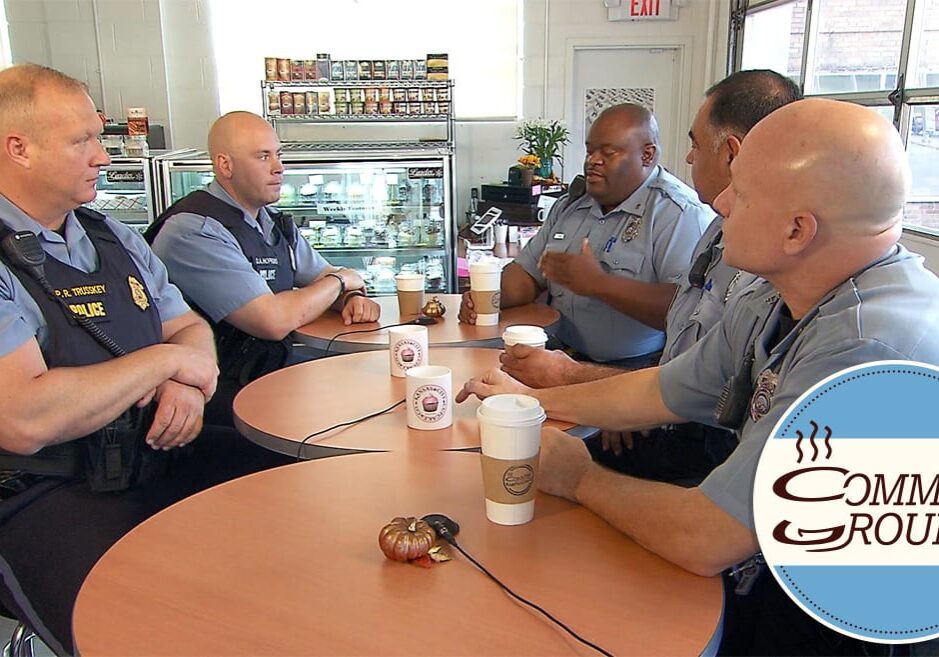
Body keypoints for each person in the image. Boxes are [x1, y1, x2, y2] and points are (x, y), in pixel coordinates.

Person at [458, 98, 939, 655]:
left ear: (796, 230)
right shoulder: (777, 292)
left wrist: (578, 476)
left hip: (841, 628)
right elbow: (662, 388)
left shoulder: (867, 349)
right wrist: (537, 398)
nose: (722, 202)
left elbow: (706, 537)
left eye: (743, 193)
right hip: (768, 570)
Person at [0, 65, 288, 654]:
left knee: (296, 498)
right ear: (18, 148)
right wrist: (164, 364)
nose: (102, 158)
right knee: (141, 633)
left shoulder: (111, 237)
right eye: (82, 140)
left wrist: (189, 384)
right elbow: (25, 418)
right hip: (46, 492)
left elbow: (188, 327)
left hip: (152, 452)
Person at [500, 70, 802, 485]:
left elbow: (713, 393)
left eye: (695, 144)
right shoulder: (718, 227)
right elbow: (689, 359)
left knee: (531, 470)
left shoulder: (698, 223)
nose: (690, 158)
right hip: (642, 393)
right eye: (591, 150)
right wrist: (608, 398)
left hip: (694, 438)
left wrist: (588, 388)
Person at [148, 111, 380, 425]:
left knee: (364, 384)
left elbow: (322, 275)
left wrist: (350, 297)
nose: (278, 168)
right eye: (263, 157)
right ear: (224, 165)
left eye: (278, 155)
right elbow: (271, 320)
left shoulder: (267, 221)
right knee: (340, 414)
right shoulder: (194, 229)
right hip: (215, 390)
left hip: (263, 367)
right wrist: (340, 283)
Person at [459, 103, 714, 367]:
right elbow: (527, 274)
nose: (593, 161)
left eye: (608, 152)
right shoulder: (572, 205)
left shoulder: (678, 214)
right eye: (590, 150)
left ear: (647, 155)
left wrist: (599, 284)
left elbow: (686, 309)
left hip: (631, 370)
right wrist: (489, 296)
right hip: (557, 354)